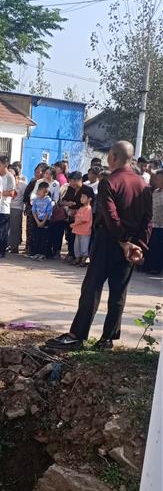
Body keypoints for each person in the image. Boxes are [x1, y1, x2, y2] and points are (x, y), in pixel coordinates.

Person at [45, 140, 153, 352]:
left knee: (92, 287)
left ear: (113, 157)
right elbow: (148, 220)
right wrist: (138, 245)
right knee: (118, 291)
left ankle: (77, 335)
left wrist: (123, 241)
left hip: (108, 241)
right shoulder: (143, 184)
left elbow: (111, 217)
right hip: (130, 246)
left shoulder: (109, 181)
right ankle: (108, 339)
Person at [23, 162, 48, 256]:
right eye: (35, 172)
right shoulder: (33, 181)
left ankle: (36, 250)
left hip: (41, 210)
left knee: (37, 231)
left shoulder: (45, 183)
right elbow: (26, 195)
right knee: (29, 229)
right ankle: (28, 248)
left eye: (39, 172)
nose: (37, 174)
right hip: (31, 208)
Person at [141, 169, 163, 275]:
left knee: (158, 248)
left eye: (159, 179)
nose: (156, 181)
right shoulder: (155, 192)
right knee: (151, 246)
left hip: (161, 226)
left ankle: (156, 267)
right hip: (152, 224)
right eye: (156, 179)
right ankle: (148, 266)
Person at [60, 170, 83, 261]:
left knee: (80, 238)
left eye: (74, 181)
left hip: (82, 218)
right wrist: (67, 203)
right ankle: (71, 253)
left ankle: (79, 256)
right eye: (70, 181)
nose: (72, 183)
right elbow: (62, 201)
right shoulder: (70, 189)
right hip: (71, 217)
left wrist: (78, 211)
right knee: (70, 236)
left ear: (80, 180)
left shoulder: (86, 189)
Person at [0, 155, 15, 258]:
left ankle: (1, 251)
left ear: (5, 165)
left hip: (4, 208)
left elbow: (12, 193)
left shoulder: (10, 177)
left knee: (2, 231)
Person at [70, 187, 94, 266]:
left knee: (84, 245)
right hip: (78, 230)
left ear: (89, 199)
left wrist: (74, 224)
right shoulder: (81, 208)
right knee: (77, 245)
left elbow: (84, 220)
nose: (81, 199)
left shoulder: (88, 208)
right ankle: (78, 258)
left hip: (85, 231)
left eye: (84, 197)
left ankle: (84, 259)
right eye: (81, 197)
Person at [30, 181, 53, 260]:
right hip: (37, 220)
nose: (45, 193)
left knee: (44, 237)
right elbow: (33, 211)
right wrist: (37, 221)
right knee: (36, 236)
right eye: (43, 191)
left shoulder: (49, 200)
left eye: (47, 192)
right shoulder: (35, 199)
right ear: (39, 190)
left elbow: (48, 212)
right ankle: (36, 252)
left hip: (45, 220)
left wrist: (43, 222)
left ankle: (43, 253)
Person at [8, 162, 27, 254]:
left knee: (15, 228)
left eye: (12, 175)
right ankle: (6, 244)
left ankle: (14, 247)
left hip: (17, 208)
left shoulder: (23, 185)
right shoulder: (5, 183)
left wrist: (24, 208)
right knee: (6, 228)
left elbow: (25, 197)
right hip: (6, 207)